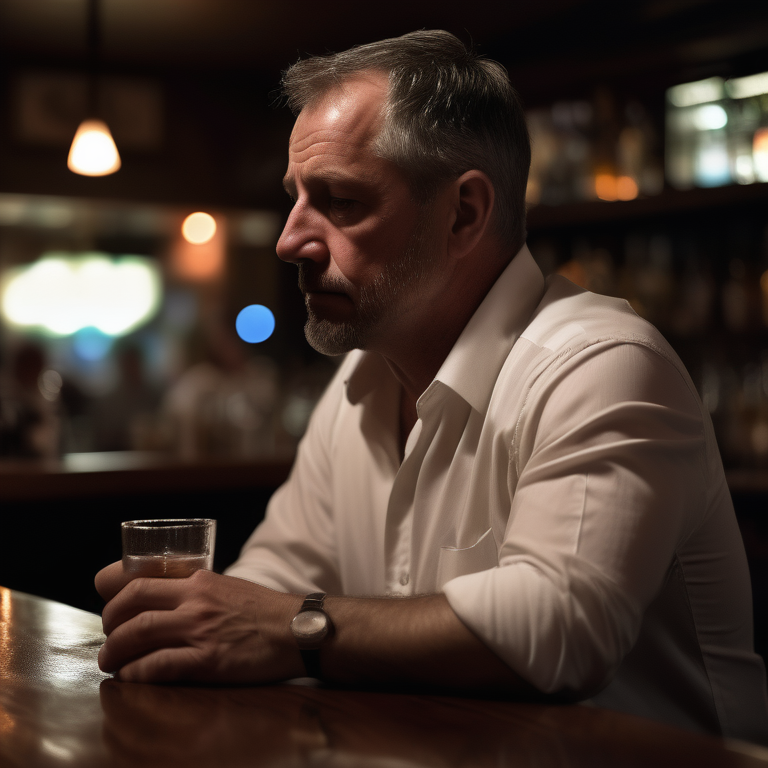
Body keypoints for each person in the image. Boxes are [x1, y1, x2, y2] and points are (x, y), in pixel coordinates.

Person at [95, 30, 768, 744]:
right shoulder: (360, 382)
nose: (290, 241)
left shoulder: (600, 364)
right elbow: (272, 578)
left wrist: (292, 627)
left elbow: (560, 629)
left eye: (340, 201)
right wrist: (191, 619)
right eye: (297, 199)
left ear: (464, 213)